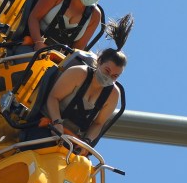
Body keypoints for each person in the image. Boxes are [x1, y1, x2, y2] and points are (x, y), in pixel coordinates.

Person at [43, 14, 133, 145]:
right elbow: (53, 98)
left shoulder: (113, 95)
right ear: (100, 62)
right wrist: (57, 123)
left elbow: (98, 123)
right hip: (48, 124)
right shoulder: (79, 73)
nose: (108, 77)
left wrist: (86, 142)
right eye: (107, 71)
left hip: (73, 140)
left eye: (115, 76)